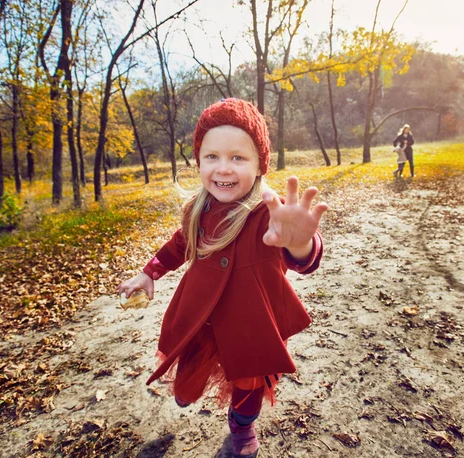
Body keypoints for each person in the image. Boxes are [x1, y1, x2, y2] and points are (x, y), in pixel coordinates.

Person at [118, 98, 328, 458]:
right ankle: (186, 389)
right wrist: (148, 273)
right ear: (198, 161)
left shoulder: (267, 213)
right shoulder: (197, 209)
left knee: (248, 389)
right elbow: (178, 245)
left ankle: (242, 428)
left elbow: (303, 260)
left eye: (238, 158)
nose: (223, 168)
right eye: (211, 156)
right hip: (203, 316)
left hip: (251, 323)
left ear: (260, 164)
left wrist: (301, 243)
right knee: (188, 377)